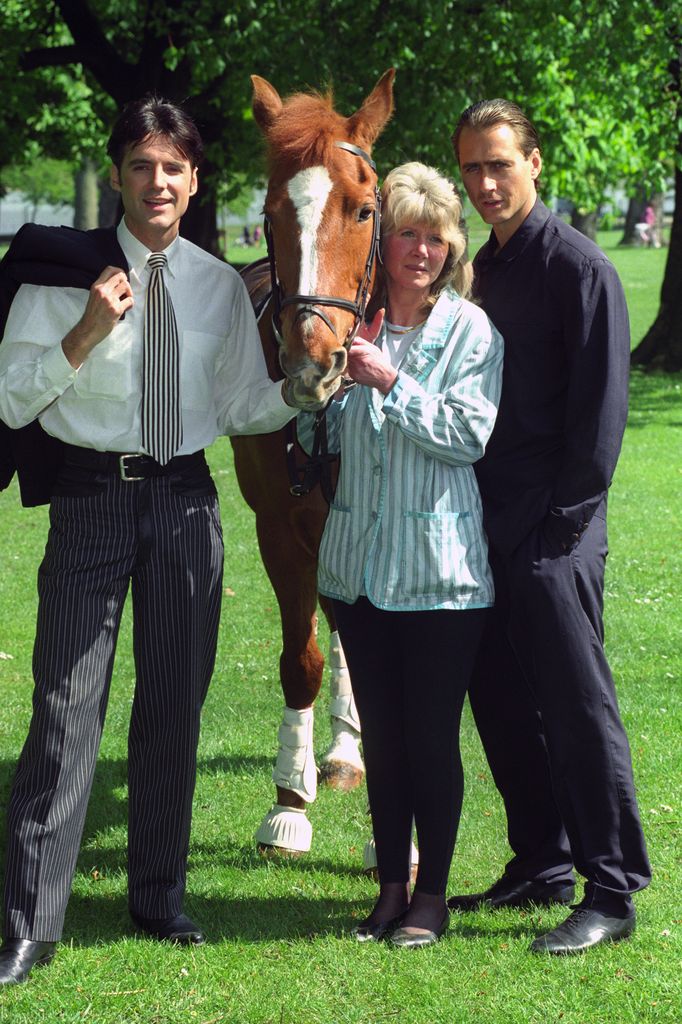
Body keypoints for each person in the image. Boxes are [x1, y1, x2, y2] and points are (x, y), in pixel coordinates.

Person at [0, 95, 297, 985]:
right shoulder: (61, 275)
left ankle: (159, 896)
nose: (157, 181)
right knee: (65, 708)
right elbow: (10, 400)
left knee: (173, 705)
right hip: (90, 500)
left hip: (185, 505)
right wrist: (84, 333)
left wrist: (303, 393)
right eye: (140, 165)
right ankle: (29, 921)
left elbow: (240, 404)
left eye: (173, 167)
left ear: (194, 180)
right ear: (118, 177)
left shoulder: (217, 285)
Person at [448, 99, 651, 954]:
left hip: (553, 527)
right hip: (482, 520)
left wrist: (558, 534)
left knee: (575, 706)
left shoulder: (579, 268)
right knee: (499, 696)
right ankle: (541, 861)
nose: (485, 183)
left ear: (534, 162)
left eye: (499, 163)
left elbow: (600, 419)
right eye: (471, 168)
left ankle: (612, 888)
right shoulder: (481, 269)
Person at [300, 162, 503, 948]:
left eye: (436, 237)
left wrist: (390, 382)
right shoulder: (355, 324)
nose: (421, 250)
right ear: (381, 244)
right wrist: (319, 389)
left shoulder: (471, 331)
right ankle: (390, 890)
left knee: (429, 739)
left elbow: (467, 435)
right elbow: (319, 437)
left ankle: (433, 897)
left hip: (440, 576)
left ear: (453, 248)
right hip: (358, 571)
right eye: (407, 234)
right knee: (382, 739)